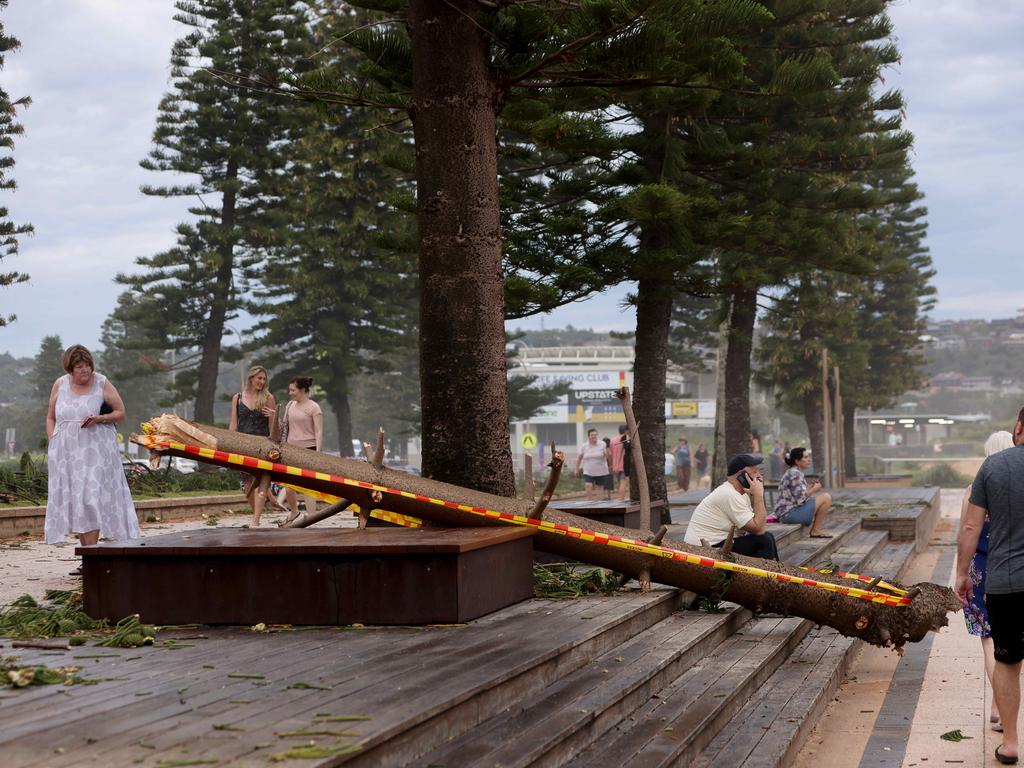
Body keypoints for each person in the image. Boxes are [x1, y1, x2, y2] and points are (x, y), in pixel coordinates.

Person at [955, 407, 1024, 766]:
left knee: (1008, 658)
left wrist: (962, 573)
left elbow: (969, 527)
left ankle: (1011, 742)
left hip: (1006, 580)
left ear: (1018, 428)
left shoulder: (993, 468)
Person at [45, 344, 140, 573]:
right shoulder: (60, 384)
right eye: (79, 367)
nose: (84, 371)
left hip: (96, 453)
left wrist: (99, 418)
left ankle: (93, 555)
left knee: (91, 498)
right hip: (67, 454)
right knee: (78, 501)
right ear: (70, 368)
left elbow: (120, 412)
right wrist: (53, 443)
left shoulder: (101, 382)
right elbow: (50, 417)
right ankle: (88, 559)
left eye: (87, 365)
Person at [961, 430, 1015, 734]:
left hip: (981, 569)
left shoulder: (975, 487)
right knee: (1011, 641)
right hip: (1015, 566)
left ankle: (996, 708)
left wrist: (960, 572)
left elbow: (966, 530)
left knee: (988, 639)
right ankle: (1002, 709)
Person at [683, 453, 778, 560]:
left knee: (768, 536)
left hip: (718, 543)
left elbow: (757, 525)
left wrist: (756, 495)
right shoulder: (729, 494)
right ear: (741, 476)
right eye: (754, 472)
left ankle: (773, 571)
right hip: (702, 549)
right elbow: (758, 529)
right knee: (764, 540)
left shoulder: (740, 494)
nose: (759, 476)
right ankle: (763, 575)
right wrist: (759, 495)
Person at [229, 365, 278, 527]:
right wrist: (229, 442)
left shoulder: (268, 398)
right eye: (259, 378)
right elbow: (233, 423)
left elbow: (273, 426)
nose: (262, 382)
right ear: (251, 378)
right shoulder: (237, 397)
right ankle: (256, 515)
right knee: (248, 484)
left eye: (264, 379)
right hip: (243, 445)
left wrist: (275, 417)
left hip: (262, 446)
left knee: (261, 480)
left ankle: (256, 520)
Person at [278, 376, 324, 524]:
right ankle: (294, 511)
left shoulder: (314, 407)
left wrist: (318, 451)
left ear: (302, 390)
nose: (290, 393)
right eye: (289, 390)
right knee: (289, 484)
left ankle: (311, 517)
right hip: (291, 449)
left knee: (308, 486)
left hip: (308, 449)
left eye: (293, 390)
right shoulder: (290, 405)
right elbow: (284, 427)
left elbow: (318, 431)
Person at [774, 447, 833, 538]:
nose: (808, 460)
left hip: (787, 512)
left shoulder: (794, 472)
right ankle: (816, 531)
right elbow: (800, 499)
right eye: (805, 457)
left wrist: (809, 488)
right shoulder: (795, 474)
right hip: (788, 514)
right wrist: (814, 489)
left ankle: (816, 530)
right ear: (797, 461)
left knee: (822, 498)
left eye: (808, 457)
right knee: (826, 497)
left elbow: (798, 495)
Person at [575, 428, 611, 500]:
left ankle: (599, 505)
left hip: (601, 470)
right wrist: (577, 468)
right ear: (588, 436)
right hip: (588, 471)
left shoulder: (602, 444)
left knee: (600, 488)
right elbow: (579, 458)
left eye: (595, 435)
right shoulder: (584, 446)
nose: (594, 436)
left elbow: (608, 456)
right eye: (592, 435)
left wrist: (608, 457)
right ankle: (590, 502)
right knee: (588, 485)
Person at [610, 425, 629, 500]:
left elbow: (611, 453)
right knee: (623, 483)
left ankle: (620, 498)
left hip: (616, 465)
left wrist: (613, 465)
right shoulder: (626, 439)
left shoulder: (612, 440)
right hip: (624, 465)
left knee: (619, 483)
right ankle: (621, 499)